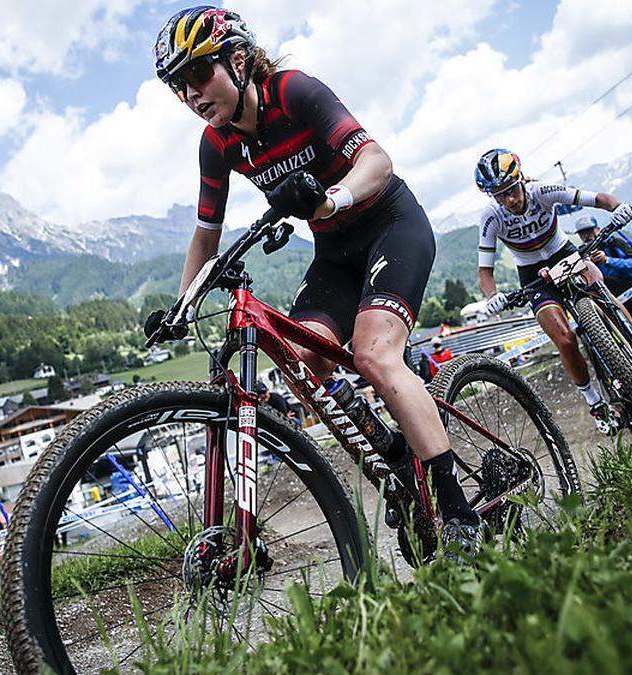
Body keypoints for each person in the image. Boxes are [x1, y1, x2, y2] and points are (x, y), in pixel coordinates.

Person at [153, 6, 482, 533]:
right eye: (178, 85)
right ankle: (393, 450)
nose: (191, 94)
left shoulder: (295, 92)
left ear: (238, 60)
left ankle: (459, 512)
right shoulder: (216, 144)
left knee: (374, 354)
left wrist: (332, 199)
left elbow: (377, 160)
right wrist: (180, 305)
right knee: (299, 357)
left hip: (390, 224)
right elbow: (206, 234)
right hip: (334, 254)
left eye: (198, 73)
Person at [474, 149, 632, 435]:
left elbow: (599, 199)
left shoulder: (542, 190)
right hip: (531, 272)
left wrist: (619, 207)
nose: (509, 200)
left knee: (601, 293)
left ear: (520, 180)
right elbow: (485, 272)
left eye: (511, 190)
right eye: (499, 195)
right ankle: (595, 403)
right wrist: (493, 297)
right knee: (565, 339)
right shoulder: (491, 217)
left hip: (563, 253)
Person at [573, 216, 632, 327]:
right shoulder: (584, 255)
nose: (587, 236)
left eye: (589, 231)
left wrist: (607, 260)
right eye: (582, 233)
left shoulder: (614, 243)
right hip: (613, 298)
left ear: (598, 229)